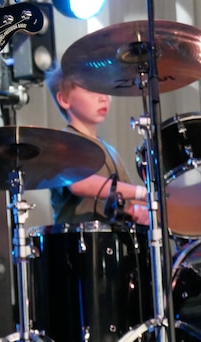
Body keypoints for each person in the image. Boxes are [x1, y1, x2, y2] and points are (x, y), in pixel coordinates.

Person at [45, 64, 149, 226]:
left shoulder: (110, 151)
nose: (103, 97)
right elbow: (80, 184)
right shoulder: (63, 142)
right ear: (64, 100)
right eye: (91, 90)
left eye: (103, 89)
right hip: (78, 244)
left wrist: (145, 209)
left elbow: (127, 200)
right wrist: (142, 193)